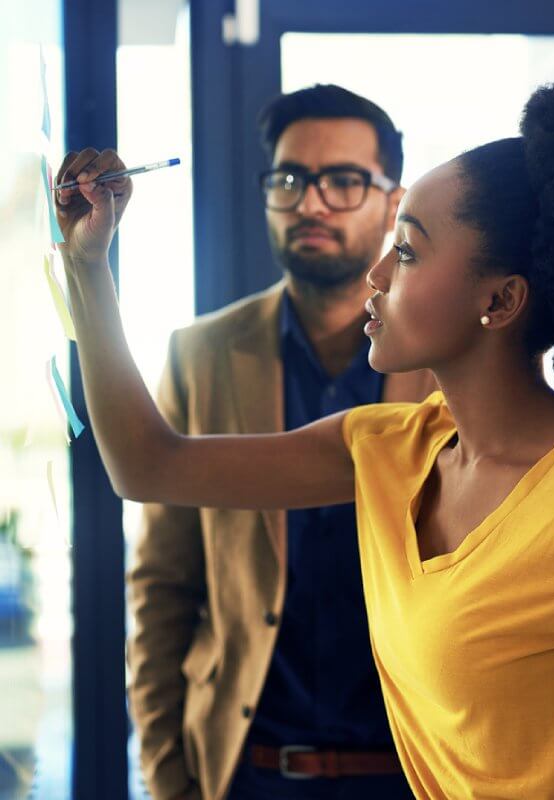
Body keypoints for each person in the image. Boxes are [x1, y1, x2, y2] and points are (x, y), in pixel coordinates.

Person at [55, 73, 554, 800]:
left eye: (406, 252)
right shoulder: (388, 448)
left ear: (499, 299)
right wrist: (91, 265)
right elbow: (149, 466)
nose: (377, 273)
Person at [128, 85, 433, 800]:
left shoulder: (449, 363)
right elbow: (162, 585)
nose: (312, 202)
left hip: (416, 771)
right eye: (290, 179)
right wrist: (168, 775)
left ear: (394, 204)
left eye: (344, 180)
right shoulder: (200, 355)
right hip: (246, 767)